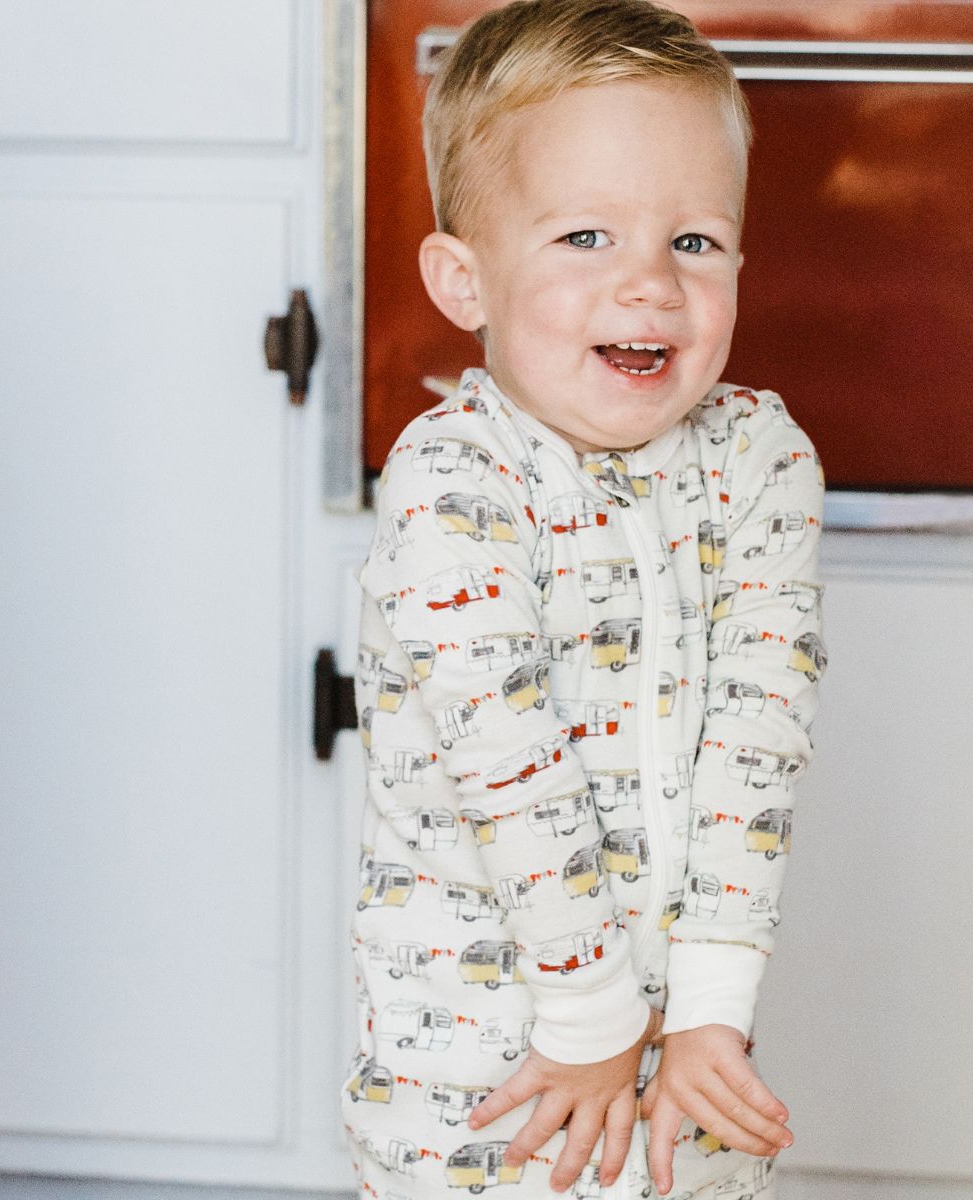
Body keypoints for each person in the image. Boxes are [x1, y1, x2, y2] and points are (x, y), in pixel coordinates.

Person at [343, 2, 826, 1196]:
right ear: (466, 280)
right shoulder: (452, 482)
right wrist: (592, 1015)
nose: (651, 285)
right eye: (584, 239)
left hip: (681, 1059)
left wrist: (711, 1008)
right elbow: (508, 765)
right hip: (486, 1076)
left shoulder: (760, 458)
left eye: (696, 242)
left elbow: (757, 737)